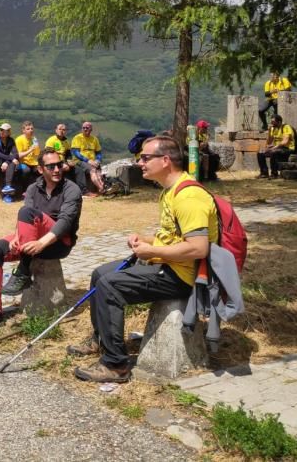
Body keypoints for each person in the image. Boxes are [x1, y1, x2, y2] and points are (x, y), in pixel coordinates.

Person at [68, 135, 217, 383]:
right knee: (100, 274)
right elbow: (172, 237)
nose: (140, 163)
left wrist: (152, 253)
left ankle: (115, 365)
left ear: (166, 160)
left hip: (182, 275)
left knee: (110, 286)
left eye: (146, 158)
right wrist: (147, 240)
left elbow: (198, 249)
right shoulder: (170, 191)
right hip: (166, 264)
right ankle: (101, 340)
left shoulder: (189, 197)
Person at [0, 149, 82, 327]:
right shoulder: (32, 189)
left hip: (59, 242)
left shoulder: (71, 189)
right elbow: (23, 217)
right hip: (34, 237)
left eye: (59, 165)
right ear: (40, 169)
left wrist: (41, 243)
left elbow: (66, 221)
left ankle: (23, 271)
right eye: (51, 166)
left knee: (28, 212)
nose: (57, 170)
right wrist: (17, 235)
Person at [71, 121, 106, 195]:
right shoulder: (77, 138)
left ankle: (101, 189)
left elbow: (98, 152)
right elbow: (76, 153)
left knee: (99, 172)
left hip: (93, 161)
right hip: (79, 161)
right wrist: (88, 161)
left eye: (87, 128)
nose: (85, 129)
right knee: (93, 170)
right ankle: (102, 189)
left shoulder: (94, 139)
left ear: (91, 129)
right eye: (83, 128)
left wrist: (98, 160)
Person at [256, 114, 295, 179]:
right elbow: (269, 142)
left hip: (287, 148)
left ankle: (274, 173)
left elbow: (285, 141)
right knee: (260, 153)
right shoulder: (273, 128)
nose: (272, 123)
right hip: (276, 148)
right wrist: (269, 132)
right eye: (271, 122)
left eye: (273, 122)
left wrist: (275, 147)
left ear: (279, 122)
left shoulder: (286, 127)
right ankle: (264, 173)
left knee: (273, 152)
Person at [0, 122, 19, 203]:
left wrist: (6, 162)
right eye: (0, 129)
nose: (1, 131)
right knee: (13, 163)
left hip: (7, 164)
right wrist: (10, 159)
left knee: (13, 164)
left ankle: (8, 187)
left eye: (4, 130)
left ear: (9, 132)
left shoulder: (11, 140)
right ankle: (8, 190)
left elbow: (15, 154)